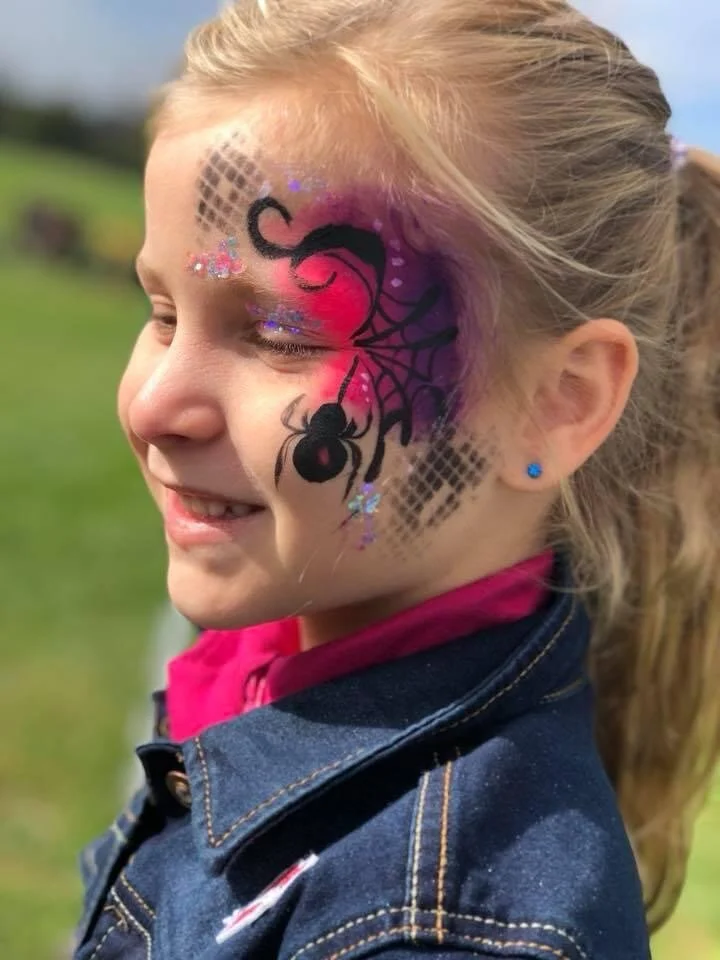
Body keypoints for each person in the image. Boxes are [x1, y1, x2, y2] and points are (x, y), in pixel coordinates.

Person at [73, 1, 720, 957]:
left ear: (560, 401)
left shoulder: (439, 928)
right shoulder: (257, 673)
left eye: (283, 333)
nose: (156, 405)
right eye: (163, 312)